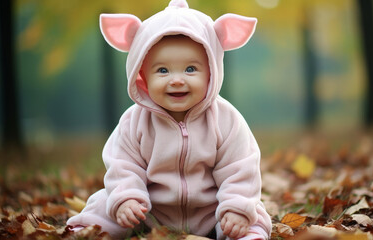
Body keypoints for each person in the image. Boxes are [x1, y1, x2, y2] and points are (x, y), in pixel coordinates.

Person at [67, 0, 272, 239]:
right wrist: (128, 198)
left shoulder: (226, 119)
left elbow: (240, 167)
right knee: (106, 201)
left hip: (212, 210)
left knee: (251, 211)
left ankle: (248, 234)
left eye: (190, 69)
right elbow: (122, 164)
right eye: (162, 70)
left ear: (211, 73)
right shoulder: (134, 121)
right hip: (149, 211)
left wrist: (236, 207)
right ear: (142, 74)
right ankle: (88, 230)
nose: (176, 80)